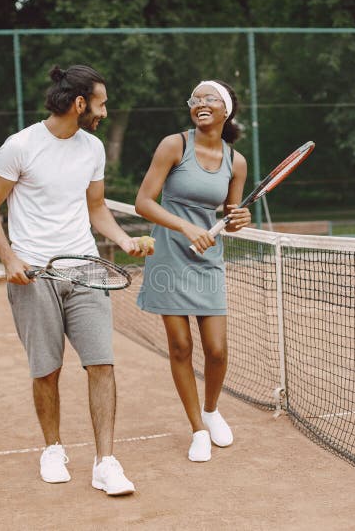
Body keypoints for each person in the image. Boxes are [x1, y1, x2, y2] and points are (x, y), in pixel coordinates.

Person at [0, 64, 152, 495]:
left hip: (86, 270)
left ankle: (105, 462)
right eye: (101, 102)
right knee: (46, 370)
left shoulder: (92, 148)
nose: (105, 111)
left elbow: (95, 207)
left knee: (102, 364)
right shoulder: (19, 147)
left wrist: (124, 241)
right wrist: (10, 257)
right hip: (34, 274)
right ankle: (52, 448)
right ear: (79, 104)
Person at [134, 79, 251, 462]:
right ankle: (197, 430)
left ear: (225, 109)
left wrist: (239, 220)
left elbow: (230, 219)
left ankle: (211, 410)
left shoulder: (236, 162)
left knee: (216, 350)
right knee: (181, 347)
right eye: (195, 98)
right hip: (169, 255)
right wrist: (184, 226)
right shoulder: (174, 145)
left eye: (210, 98)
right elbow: (143, 203)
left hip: (207, 260)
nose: (201, 102)